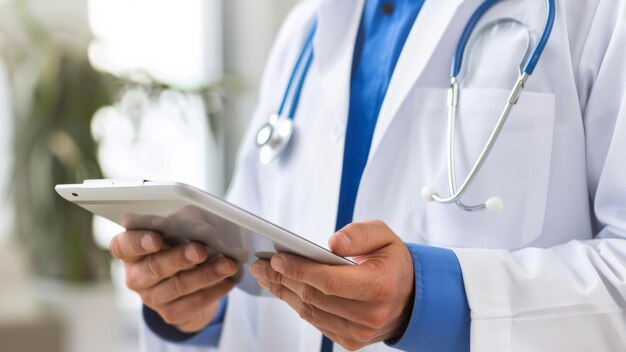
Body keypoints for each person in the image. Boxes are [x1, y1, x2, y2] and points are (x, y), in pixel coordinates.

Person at [109, 0, 626, 351]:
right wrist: (192, 312)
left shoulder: (597, 14)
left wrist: (430, 301)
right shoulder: (306, 32)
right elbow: (252, 284)